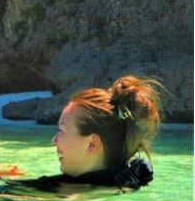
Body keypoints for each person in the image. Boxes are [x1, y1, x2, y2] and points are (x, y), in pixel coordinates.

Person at [25, 75, 161, 191]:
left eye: (62, 130)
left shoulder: (54, 192)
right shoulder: (130, 180)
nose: (54, 140)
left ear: (91, 143)